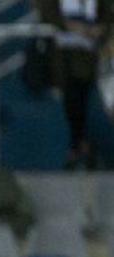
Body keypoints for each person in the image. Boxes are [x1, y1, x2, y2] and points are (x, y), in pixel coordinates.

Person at [39, 0, 113, 169]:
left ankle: (84, 148)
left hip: (93, 58)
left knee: (91, 105)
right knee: (73, 103)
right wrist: (71, 26)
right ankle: (77, 147)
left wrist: (100, 29)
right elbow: (48, 15)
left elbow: (107, 17)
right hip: (64, 58)